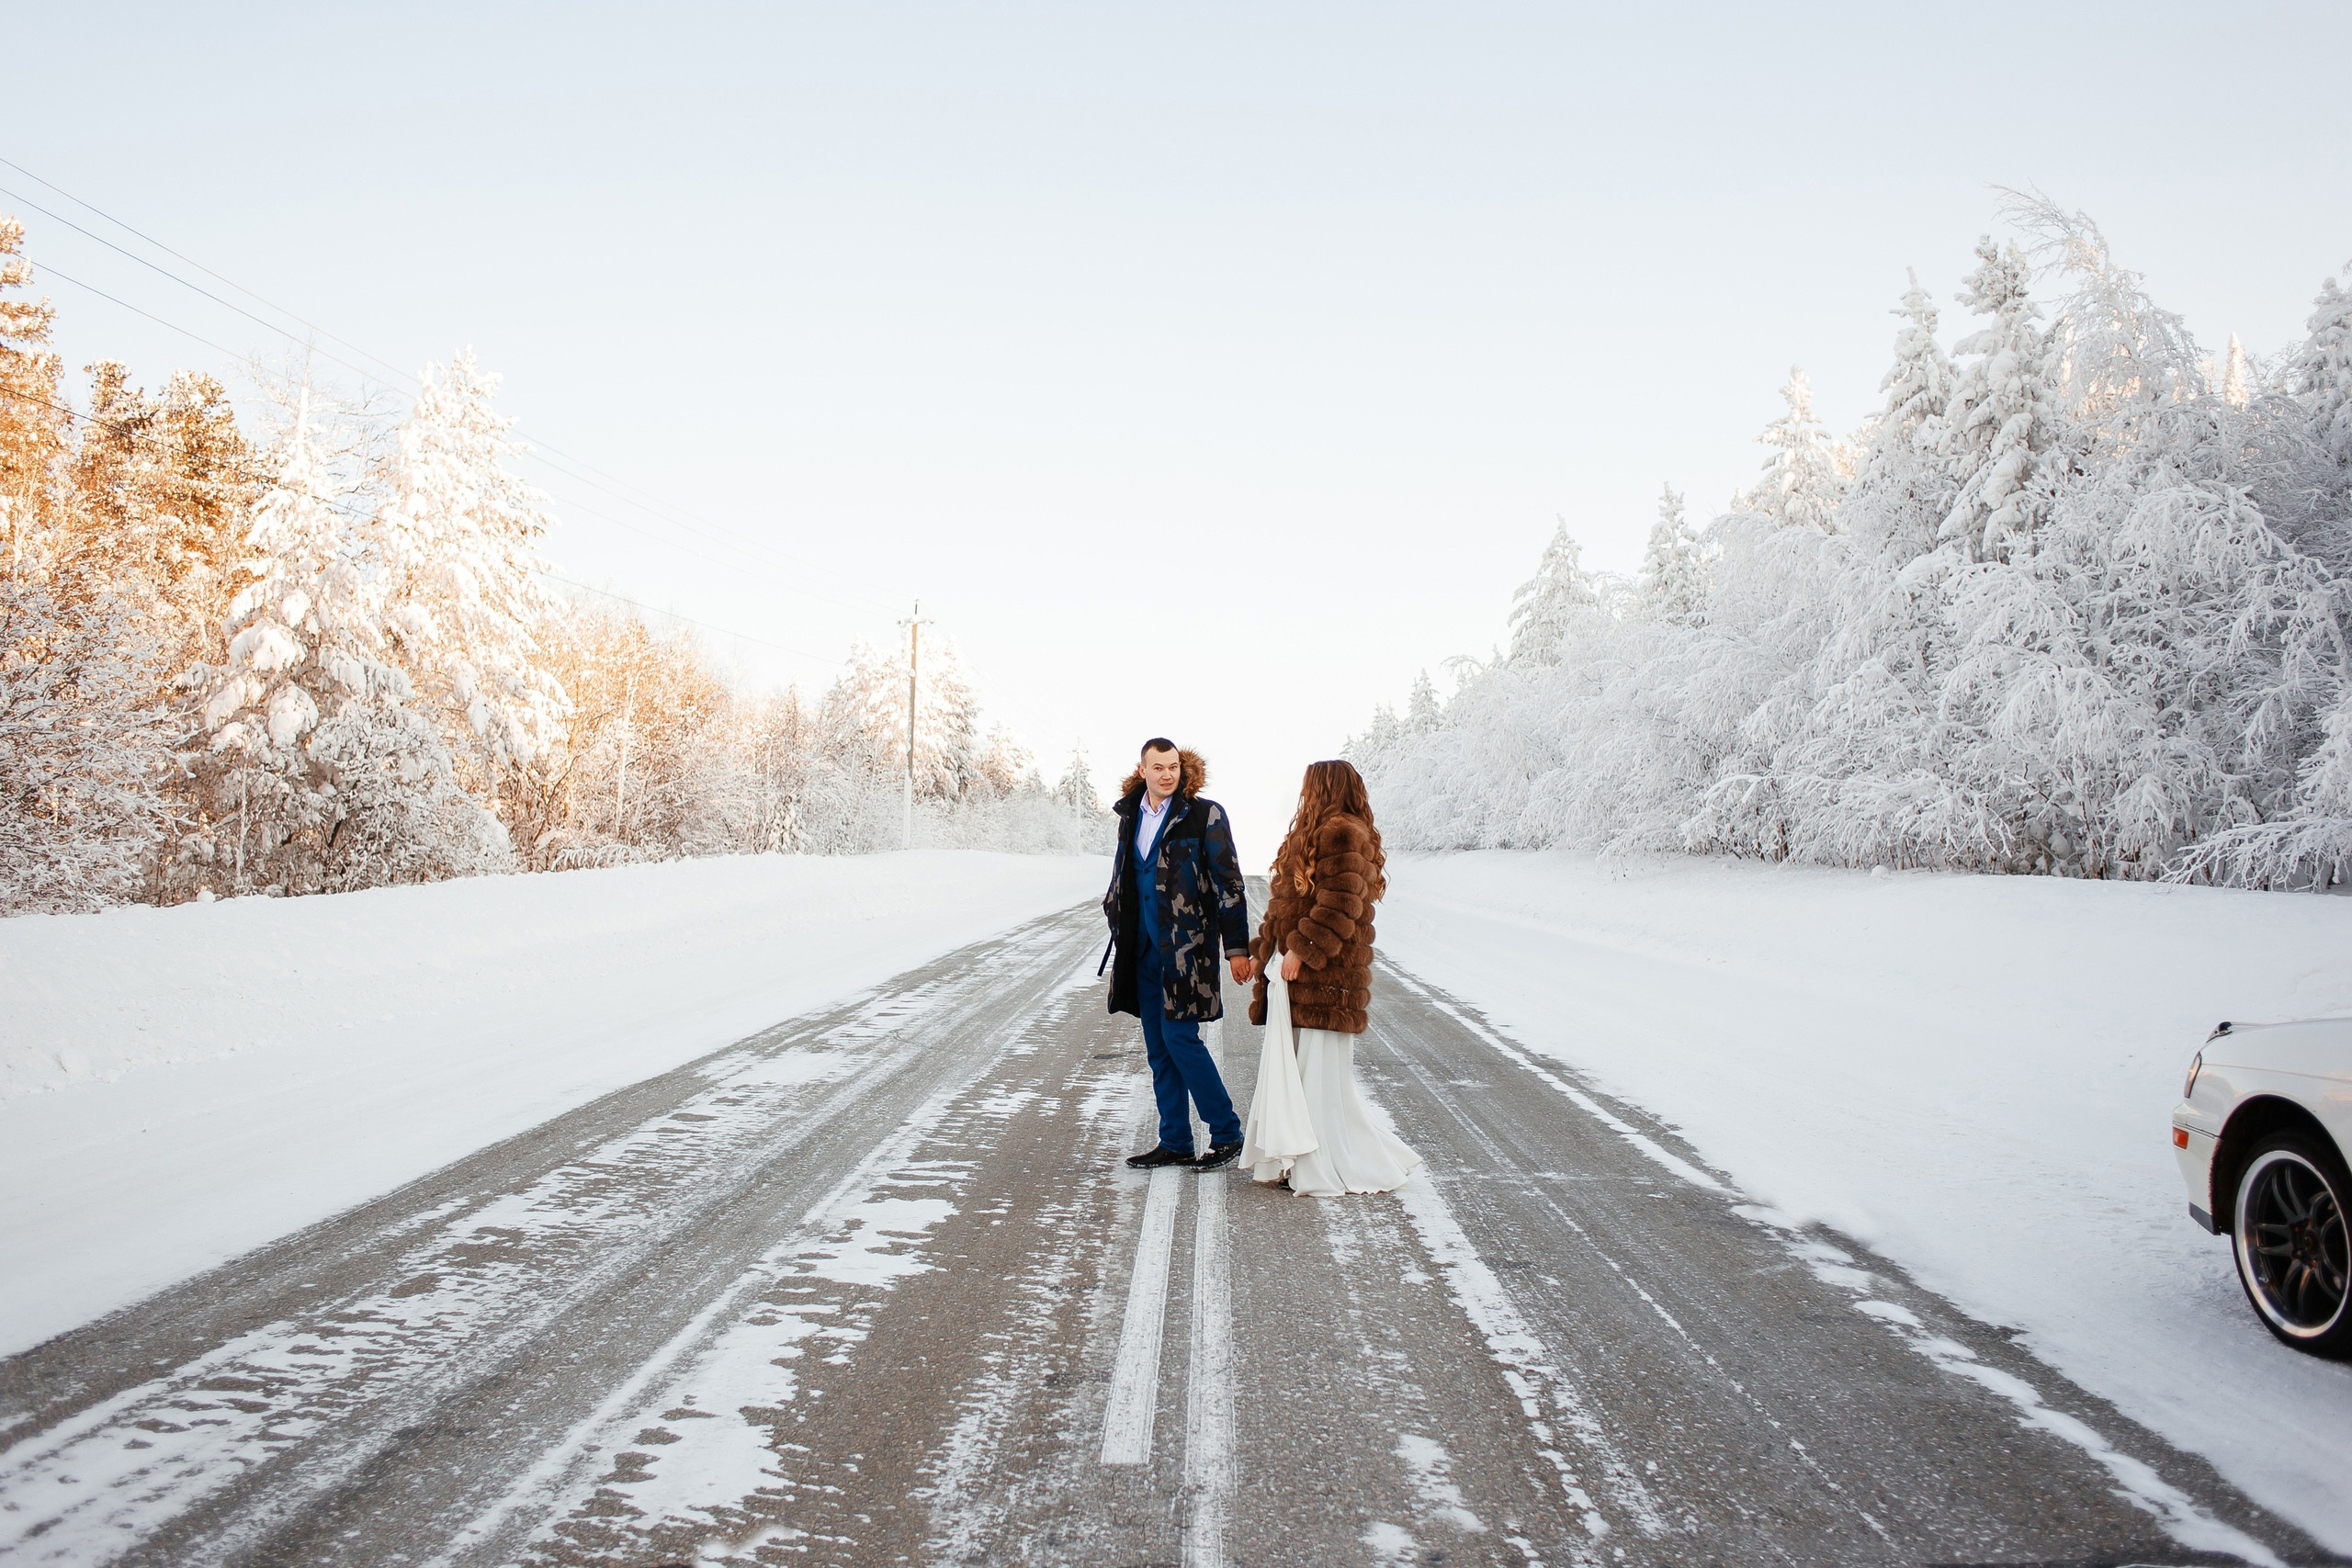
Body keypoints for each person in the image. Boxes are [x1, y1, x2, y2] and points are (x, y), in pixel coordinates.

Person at [1239, 759, 1421, 1196]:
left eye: (1309, 785)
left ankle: (1322, 1163)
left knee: (1318, 1079)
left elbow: (1340, 907)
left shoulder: (1342, 832)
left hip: (1327, 982)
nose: (1303, 792)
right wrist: (1261, 952)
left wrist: (1302, 952)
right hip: (1301, 982)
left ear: (1325, 787)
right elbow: (1283, 908)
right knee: (1297, 1075)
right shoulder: (1309, 835)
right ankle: (1296, 1160)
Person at [1103, 739, 1253, 1172]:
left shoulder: (1204, 814)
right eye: (1158, 767)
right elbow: (1126, 875)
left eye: (1173, 766)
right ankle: (1175, 1140)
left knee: (1180, 1040)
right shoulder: (1130, 816)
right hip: (1141, 949)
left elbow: (1230, 882)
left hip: (1186, 951)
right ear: (1143, 769)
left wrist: (1237, 947)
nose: (1167, 774)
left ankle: (1226, 1133)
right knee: (1158, 1048)